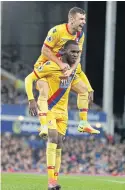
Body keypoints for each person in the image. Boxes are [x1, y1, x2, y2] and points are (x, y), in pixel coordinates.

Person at [25, 40, 100, 190]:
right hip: (50, 109)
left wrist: (90, 89)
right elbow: (29, 78)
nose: (75, 55)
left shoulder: (74, 67)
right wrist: (31, 99)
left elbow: (81, 74)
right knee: (52, 138)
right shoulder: (51, 66)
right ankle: (51, 182)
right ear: (64, 52)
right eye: (72, 52)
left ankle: (54, 181)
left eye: (78, 52)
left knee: (59, 143)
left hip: (63, 112)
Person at [33, 7, 94, 138]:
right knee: (44, 93)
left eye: (85, 19)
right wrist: (61, 64)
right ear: (72, 19)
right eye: (81, 19)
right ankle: (43, 124)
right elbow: (44, 51)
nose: (84, 22)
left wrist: (70, 70)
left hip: (65, 71)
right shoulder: (57, 31)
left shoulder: (80, 35)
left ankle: (83, 122)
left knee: (84, 90)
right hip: (46, 69)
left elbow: (78, 57)